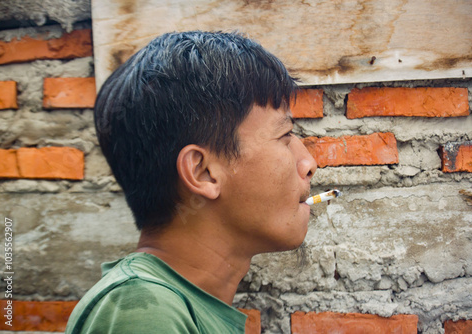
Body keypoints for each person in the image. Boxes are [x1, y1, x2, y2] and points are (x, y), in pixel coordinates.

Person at [65, 30, 317, 334]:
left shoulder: (174, 307)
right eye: (285, 136)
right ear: (202, 172)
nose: (308, 164)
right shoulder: (146, 312)